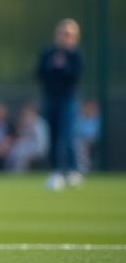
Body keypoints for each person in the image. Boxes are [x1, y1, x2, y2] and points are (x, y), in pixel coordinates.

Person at [37, 18, 82, 190]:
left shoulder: (75, 56)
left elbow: (75, 77)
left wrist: (64, 67)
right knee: (53, 136)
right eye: (63, 33)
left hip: (69, 99)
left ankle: (73, 170)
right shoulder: (48, 53)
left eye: (69, 34)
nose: (65, 37)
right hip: (50, 98)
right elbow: (40, 73)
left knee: (68, 134)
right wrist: (53, 66)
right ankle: (56, 171)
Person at [6, 103, 49, 173]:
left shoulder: (39, 124)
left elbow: (41, 144)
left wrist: (34, 154)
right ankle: (9, 172)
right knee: (13, 152)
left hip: (37, 149)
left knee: (21, 154)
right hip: (25, 148)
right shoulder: (26, 122)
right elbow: (20, 137)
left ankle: (18, 173)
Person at [75, 100, 101, 175]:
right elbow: (76, 132)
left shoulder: (97, 120)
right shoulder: (79, 119)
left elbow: (96, 134)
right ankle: (81, 167)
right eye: (87, 108)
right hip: (80, 141)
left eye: (91, 108)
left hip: (93, 142)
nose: (88, 110)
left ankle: (84, 167)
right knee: (78, 144)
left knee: (82, 145)